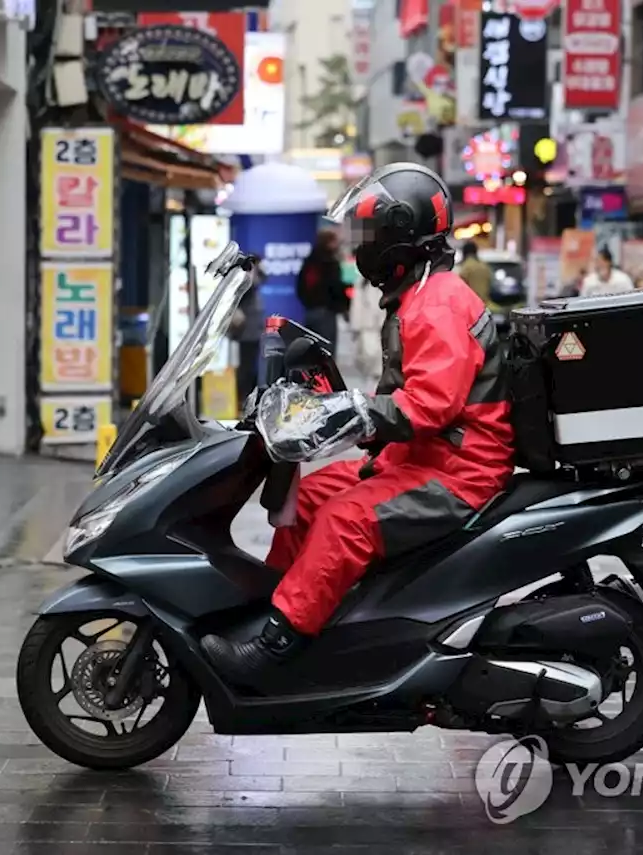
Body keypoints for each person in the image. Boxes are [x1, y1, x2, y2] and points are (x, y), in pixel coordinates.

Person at [200, 163, 516, 687]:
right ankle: (271, 610)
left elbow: (430, 406)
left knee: (346, 520)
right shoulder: (414, 297)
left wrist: (354, 412)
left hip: (460, 471)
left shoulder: (436, 304)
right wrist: (334, 408)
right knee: (313, 495)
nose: (359, 246)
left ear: (400, 235)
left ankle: (280, 644)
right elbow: (402, 400)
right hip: (421, 458)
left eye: (369, 233)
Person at [295, 229, 349, 352]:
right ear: (329, 243)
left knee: (312, 350)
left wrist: (308, 303)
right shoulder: (329, 262)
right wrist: (343, 305)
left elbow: (300, 286)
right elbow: (335, 286)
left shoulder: (309, 261)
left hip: (310, 312)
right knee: (326, 351)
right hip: (326, 312)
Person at [230, 260, 266, 400]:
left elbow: (263, 278)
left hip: (253, 331)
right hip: (247, 332)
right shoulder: (245, 282)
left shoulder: (253, 281)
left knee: (250, 367)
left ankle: (248, 397)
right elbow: (252, 286)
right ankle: (243, 398)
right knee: (246, 368)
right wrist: (253, 271)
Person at [456, 241, 493, 306]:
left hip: (471, 304)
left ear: (464, 253)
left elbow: (460, 287)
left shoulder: (467, 266)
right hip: (485, 304)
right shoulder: (484, 266)